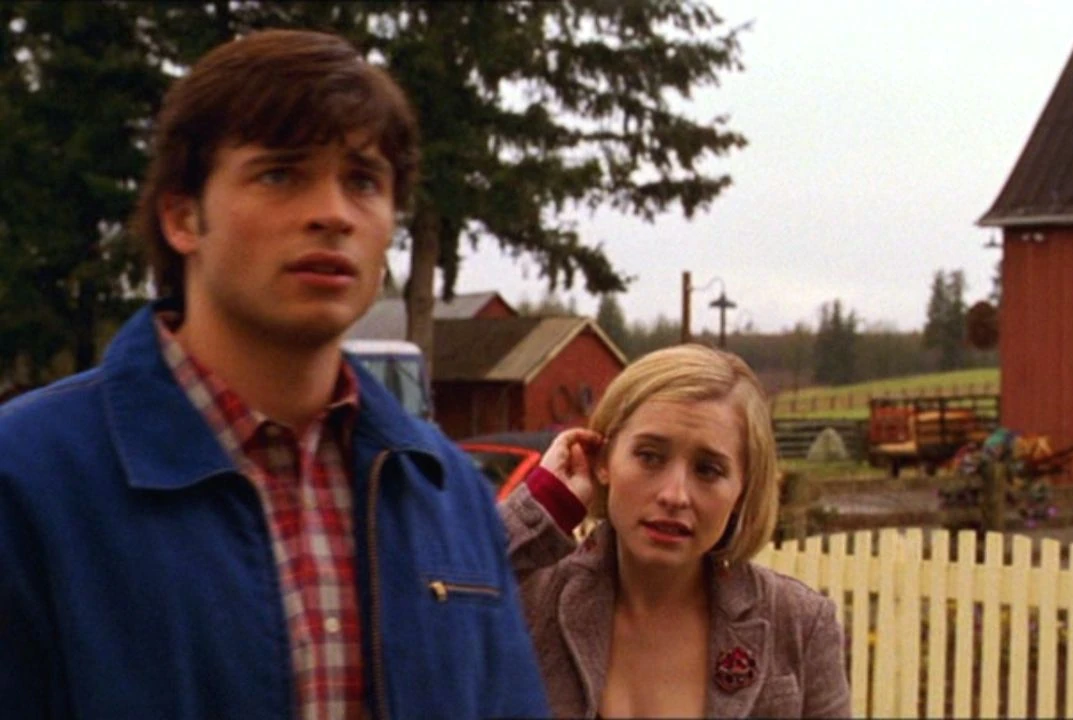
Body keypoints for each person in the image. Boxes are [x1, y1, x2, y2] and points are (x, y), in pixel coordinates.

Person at [0, 29, 548, 719]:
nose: (333, 214)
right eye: (281, 174)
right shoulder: (28, 481)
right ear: (182, 216)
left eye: (363, 181)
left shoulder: (447, 493)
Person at [501, 344, 851, 718]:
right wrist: (544, 505)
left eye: (708, 470)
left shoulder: (799, 625)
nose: (675, 495)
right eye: (649, 456)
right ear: (603, 460)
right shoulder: (531, 602)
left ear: (742, 489)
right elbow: (454, 602)